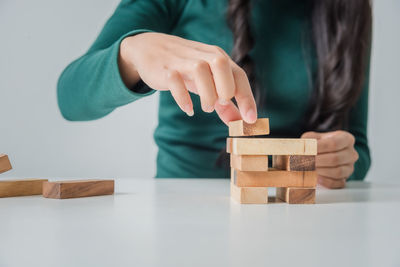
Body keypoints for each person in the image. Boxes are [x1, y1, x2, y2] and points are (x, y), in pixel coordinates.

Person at [57, 0, 372, 188]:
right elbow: (69, 98)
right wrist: (133, 53)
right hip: (181, 209)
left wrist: (342, 161)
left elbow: (355, 143)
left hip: (302, 221)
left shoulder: (349, 7)